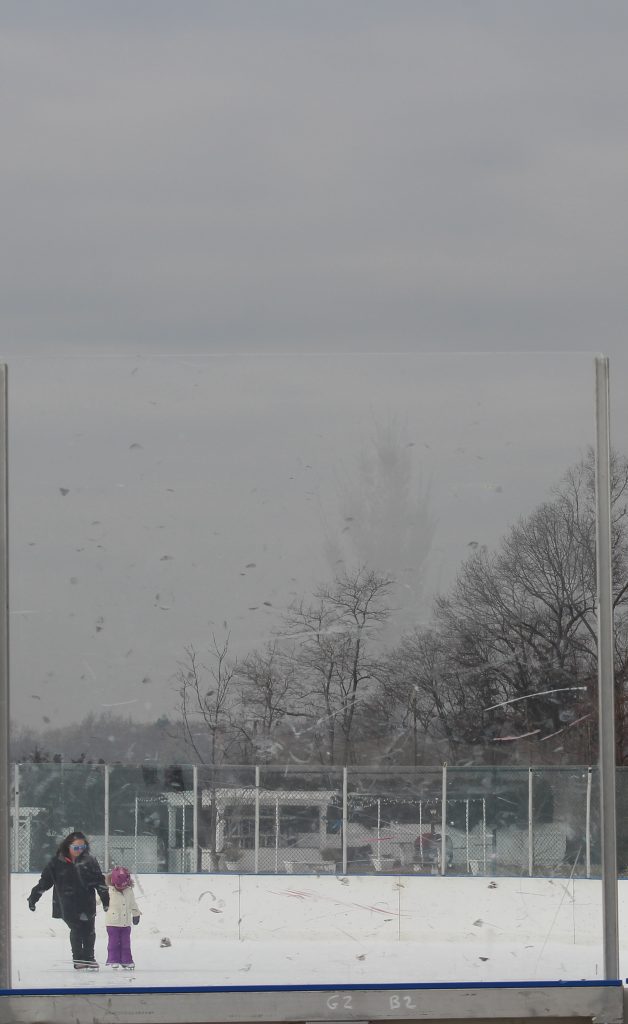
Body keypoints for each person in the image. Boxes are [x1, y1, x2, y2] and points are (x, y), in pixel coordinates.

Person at [28, 831, 109, 970]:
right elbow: (45, 882)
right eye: (76, 847)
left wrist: (105, 900)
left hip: (87, 903)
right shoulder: (56, 862)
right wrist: (34, 897)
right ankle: (78, 958)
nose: (79, 851)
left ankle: (89, 957)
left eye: (82, 848)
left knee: (89, 930)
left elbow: (99, 882)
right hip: (66, 904)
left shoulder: (89, 862)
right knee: (77, 929)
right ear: (68, 846)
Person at [104, 866, 141, 970]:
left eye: (123, 886)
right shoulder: (108, 891)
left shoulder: (129, 891)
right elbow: (98, 900)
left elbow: (133, 904)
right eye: (118, 886)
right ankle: (113, 960)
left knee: (126, 943)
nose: (121, 888)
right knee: (113, 943)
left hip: (125, 923)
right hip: (112, 923)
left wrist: (136, 914)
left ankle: (126, 960)